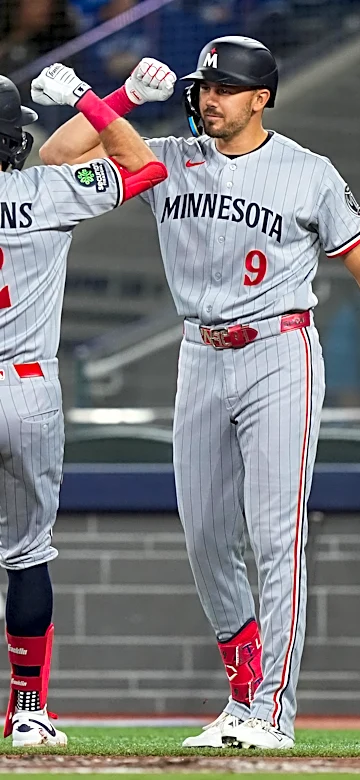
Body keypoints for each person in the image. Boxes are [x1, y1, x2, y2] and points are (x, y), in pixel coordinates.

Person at [39, 38, 360, 750]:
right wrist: (123, 98)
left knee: (274, 536)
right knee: (203, 537)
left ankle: (272, 712)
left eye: (225, 88)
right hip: (200, 353)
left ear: (261, 97)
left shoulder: (309, 172)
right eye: (203, 87)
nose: (209, 98)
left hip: (280, 350)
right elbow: (58, 158)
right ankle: (240, 697)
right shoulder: (165, 157)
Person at [0, 64, 167, 747]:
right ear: (13, 139)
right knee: (28, 553)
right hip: (28, 384)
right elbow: (144, 166)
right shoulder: (50, 190)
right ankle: (30, 709)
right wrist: (101, 98)